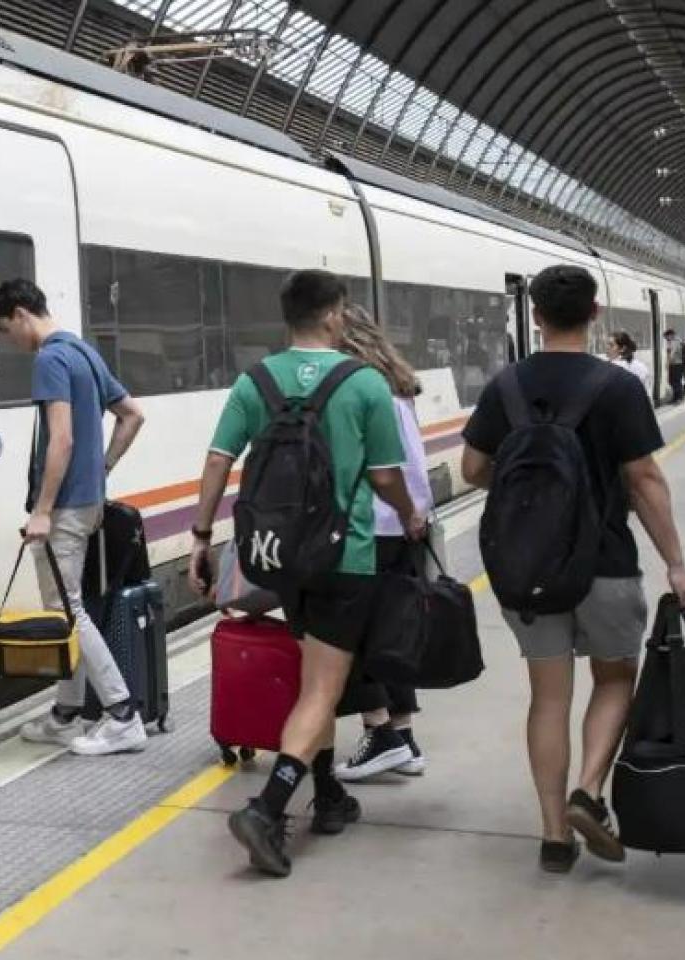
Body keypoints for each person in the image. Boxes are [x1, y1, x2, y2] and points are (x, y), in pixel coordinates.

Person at [185, 269, 426, 878]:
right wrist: (409, 513)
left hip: (283, 556)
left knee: (317, 679)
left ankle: (331, 797)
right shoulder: (364, 383)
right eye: (342, 311)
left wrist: (201, 535)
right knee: (322, 689)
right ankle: (268, 810)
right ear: (331, 315)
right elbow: (384, 476)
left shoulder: (255, 381)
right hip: (347, 557)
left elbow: (218, 459)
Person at [462, 264, 685, 875]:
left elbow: (471, 470)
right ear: (596, 315)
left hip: (527, 570)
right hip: (606, 564)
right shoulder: (617, 387)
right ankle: (589, 792)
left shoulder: (505, 386)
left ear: (534, 315)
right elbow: (644, 480)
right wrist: (676, 564)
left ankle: (552, 838)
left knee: (548, 698)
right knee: (615, 679)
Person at [0, 279, 149, 756]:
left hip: (62, 510)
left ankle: (122, 716)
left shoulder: (50, 359)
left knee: (70, 612)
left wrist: (42, 510)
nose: (11, 342)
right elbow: (132, 416)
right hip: (87, 504)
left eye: (6, 331)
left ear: (20, 314)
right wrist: (101, 472)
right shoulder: (84, 352)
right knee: (65, 610)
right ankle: (66, 713)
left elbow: (61, 440)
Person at [329, 304, 434, 782]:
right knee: (395, 633)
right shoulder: (397, 383)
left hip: (372, 525)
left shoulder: (360, 389)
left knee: (349, 633)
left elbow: (380, 468)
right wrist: (416, 513)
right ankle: (405, 737)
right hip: (408, 524)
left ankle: (379, 733)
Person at [663, 330, 685, 403]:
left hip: (676, 364)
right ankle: (676, 397)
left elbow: (672, 353)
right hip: (675, 364)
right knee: (673, 381)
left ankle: (679, 398)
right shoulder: (675, 341)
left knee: (675, 381)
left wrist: (667, 363)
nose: (666, 339)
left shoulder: (675, 342)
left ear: (670, 335)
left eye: (666, 337)